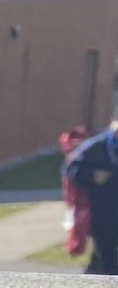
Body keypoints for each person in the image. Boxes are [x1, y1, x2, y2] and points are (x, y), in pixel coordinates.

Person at [64, 117, 118, 273]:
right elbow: (71, 170)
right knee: (106, 249)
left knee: (103, 253)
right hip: (101, 208)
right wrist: (93, 176)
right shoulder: (95, 147)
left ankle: (92, 274)